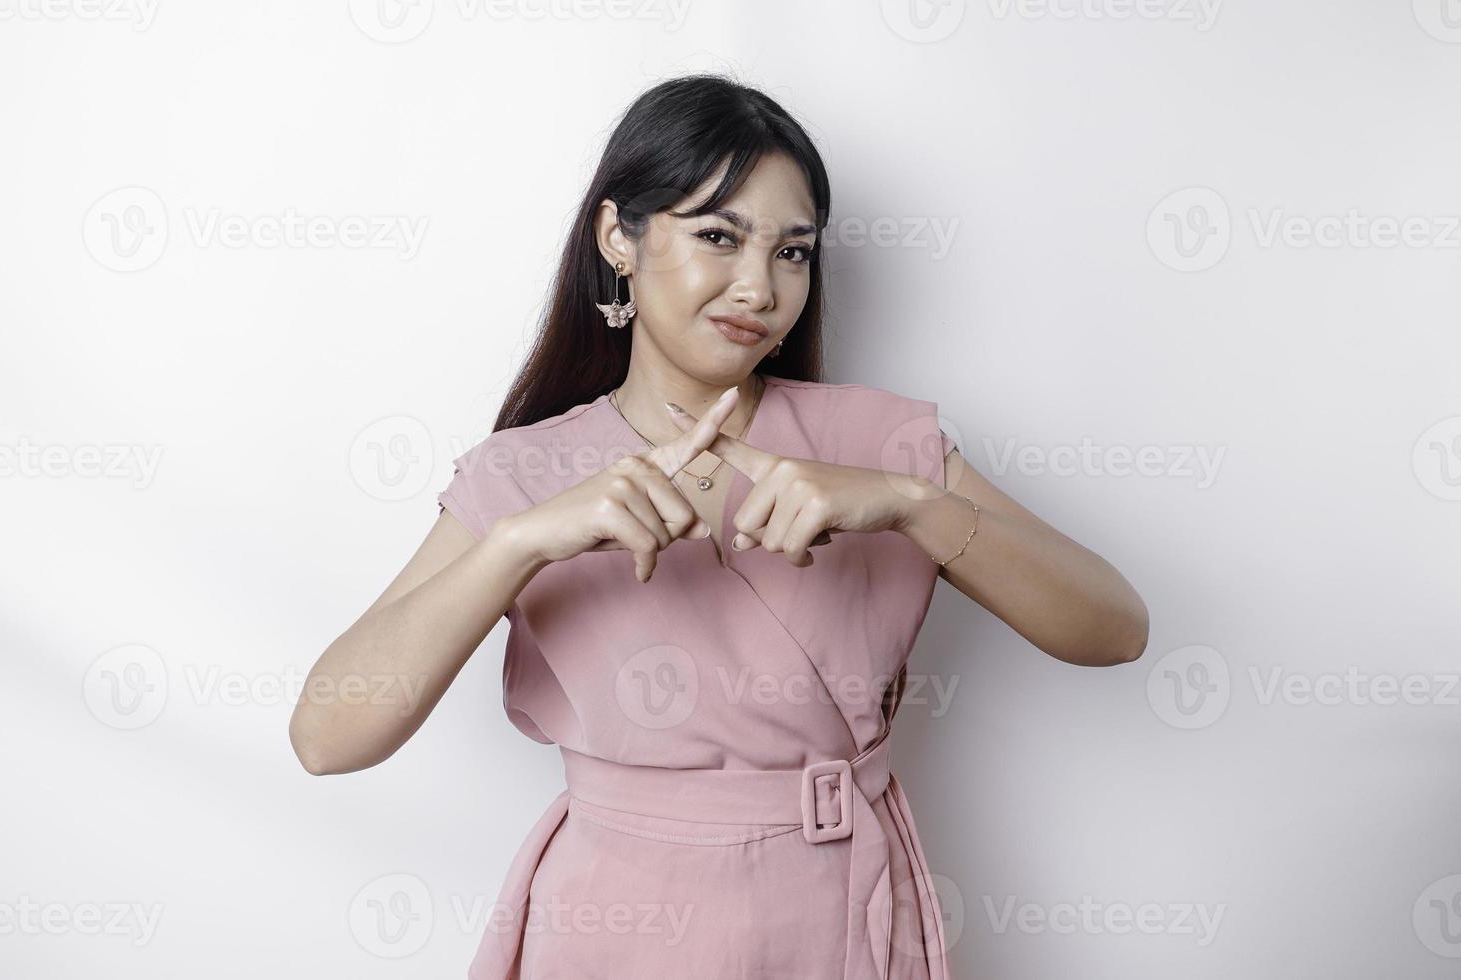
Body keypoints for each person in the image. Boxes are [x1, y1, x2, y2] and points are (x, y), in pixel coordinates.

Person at [290, 72, 1149, 980]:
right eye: (717, 237)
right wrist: (520, 544)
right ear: (617, 236)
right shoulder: (521, 477)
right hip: (616, 930)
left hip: (840, 919)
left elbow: (1115, 629)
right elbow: (326, 739)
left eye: (791, 251)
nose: (759, 285)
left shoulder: (883, 444)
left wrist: (911, 505)